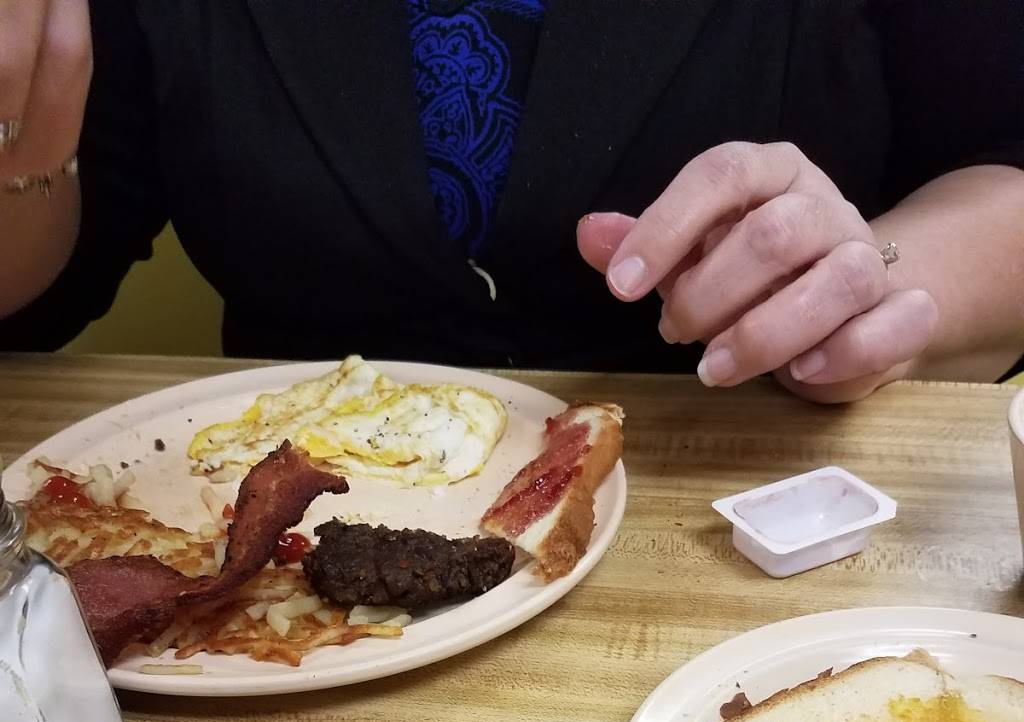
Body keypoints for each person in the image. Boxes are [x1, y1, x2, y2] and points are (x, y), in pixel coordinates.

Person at [0, 0, 1021, 405]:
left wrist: (864, 286)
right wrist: (15, 128)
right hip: (263, 591)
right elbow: (45, 284)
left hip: (758, 545)